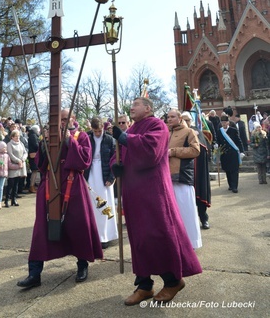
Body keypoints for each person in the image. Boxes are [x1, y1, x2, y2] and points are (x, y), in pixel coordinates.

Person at [111, 97, 202, 306]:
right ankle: (144, 285)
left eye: (136, 104)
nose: (131, 108)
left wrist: (125, 139)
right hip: (134, 192)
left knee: (157, 234)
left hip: (153, 192)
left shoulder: (157, 125)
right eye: (131, 105)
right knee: (139, 238)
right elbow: (127, 155)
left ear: (148, 108)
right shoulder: (134, 127)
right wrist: (119, 167)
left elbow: (151, 152)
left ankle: (172, 281)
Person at [17, 109, 103, 289]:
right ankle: (34, 273)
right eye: (59, 119)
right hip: (50, 183)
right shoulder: (49, 136)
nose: (62, 122)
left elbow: (84, 161)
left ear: (72, 118)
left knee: (78, 226)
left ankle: (82, 266)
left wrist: (68, 140)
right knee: (41, 229)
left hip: (73, 184)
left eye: (65, 119)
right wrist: (44, 145)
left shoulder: (81, 136)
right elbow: (41, 164)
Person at [167, 109, 202, 249]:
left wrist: (174, 151)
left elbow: (195, 150)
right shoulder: (166, 133)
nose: (169, 119)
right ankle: (176, 242)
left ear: (180, 118)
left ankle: (192, 243)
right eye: (168, 117)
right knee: (172, 213)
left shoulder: (189, 132)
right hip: (167, 177)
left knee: (187, 211)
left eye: (172, 117)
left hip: (182, 176)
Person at [84, 116, 118, 248]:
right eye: (95, 131)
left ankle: (105, 235)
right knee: (92, 203)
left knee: (106, 203)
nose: (98, 133)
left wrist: (111, 177)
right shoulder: (87, 137)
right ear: (92, 129)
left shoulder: (110, 139)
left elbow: (114, 159)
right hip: (90, 172)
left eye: (99, 131)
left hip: (104, 174)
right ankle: (93, 234)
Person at [181, 112, 212, 230]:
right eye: (183, 120)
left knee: (199, 195)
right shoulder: (177, 133)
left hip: (197, 170)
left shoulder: (196, 131)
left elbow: (203, 148)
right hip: (182, 172)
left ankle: (204, 219)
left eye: (187, 120)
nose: (186, 122)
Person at [216, 115, 244, 193]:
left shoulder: (233, 130)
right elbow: (218, 141)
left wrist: (241, 151)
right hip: (224, 154)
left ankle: (235, 186)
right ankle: (231, 185)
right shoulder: (219, 131)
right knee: (227, 170)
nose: (224, 124)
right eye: (222, 122)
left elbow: (238, 141)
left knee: (234, 170)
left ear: (228, 122)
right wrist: (215, 146)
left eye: (225, 122)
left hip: (233, 153)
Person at [5, 129, 28, 207]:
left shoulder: (21, 143)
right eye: (16, 136)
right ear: (12, 137)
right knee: (11, 183)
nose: (18, 138)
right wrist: (18, 160)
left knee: (16, 184)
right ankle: (7, 200)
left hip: (20, 165)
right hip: (13, 165)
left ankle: (14, 199)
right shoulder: (9, 144)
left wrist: (22, 159)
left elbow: (25, 152)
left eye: (18, 136)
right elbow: (10, 154)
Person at [0, 141, 9, 209]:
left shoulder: (6, 155)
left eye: (5, 147)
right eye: (3, 147)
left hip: (3, 174)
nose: (5, 148)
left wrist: (17, 166)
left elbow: (9, 164)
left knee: (1, 188)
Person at [27, 124, 41, 193]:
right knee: (34, 171)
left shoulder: (32, 135)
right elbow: (36, 145)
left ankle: (32, 186)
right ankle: (31, 186)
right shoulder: (33, 136)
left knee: (34, 171)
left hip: (33, 155)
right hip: (33, 156)